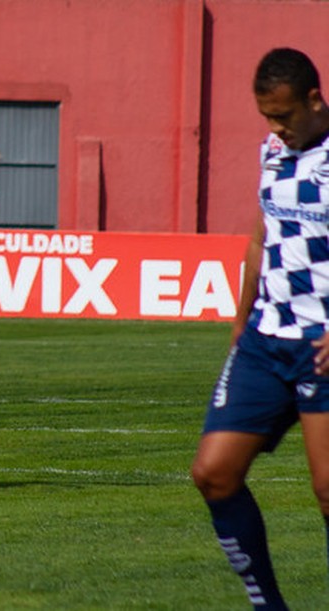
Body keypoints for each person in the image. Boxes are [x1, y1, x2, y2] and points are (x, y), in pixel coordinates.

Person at [191, 47, 329, 610]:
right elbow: (259, 239)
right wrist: (239, 321)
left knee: (327, 493)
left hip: (321, 349)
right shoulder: (273, 150)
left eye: (283, 115)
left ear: (315, 101)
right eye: (266, 117)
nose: (274, 128)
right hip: (264, 342)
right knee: (213, 473)